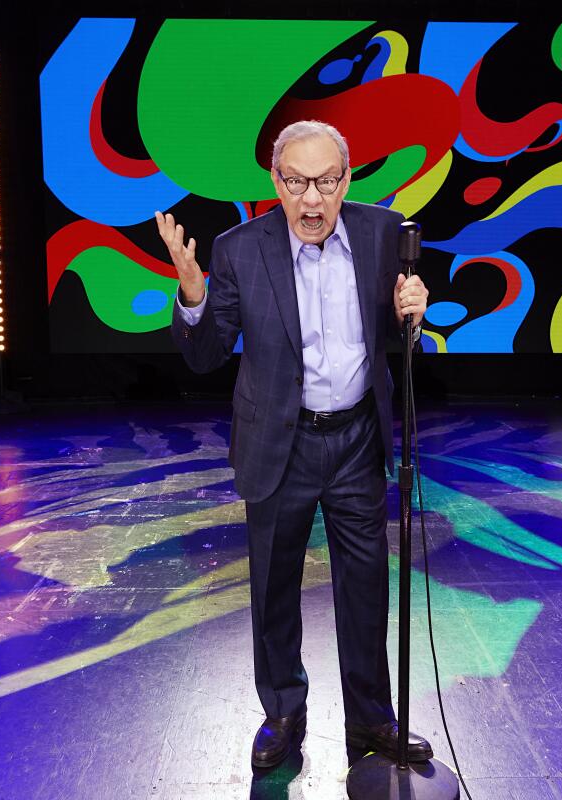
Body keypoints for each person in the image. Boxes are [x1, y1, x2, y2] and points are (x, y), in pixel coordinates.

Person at [154, 120, 432, 769]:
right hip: (281, 440)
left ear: (347, 179)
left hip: (358, 438)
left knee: (365, 589)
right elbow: (207, 355)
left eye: (326, 182)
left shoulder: (382, 233)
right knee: (274, 588)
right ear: (276, 182)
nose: (313, 199)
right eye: (298, 182)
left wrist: (411, 312)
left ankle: (371, 722)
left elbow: (398, 333)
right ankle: (283, 713)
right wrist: (193, 294)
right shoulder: (238, 249)